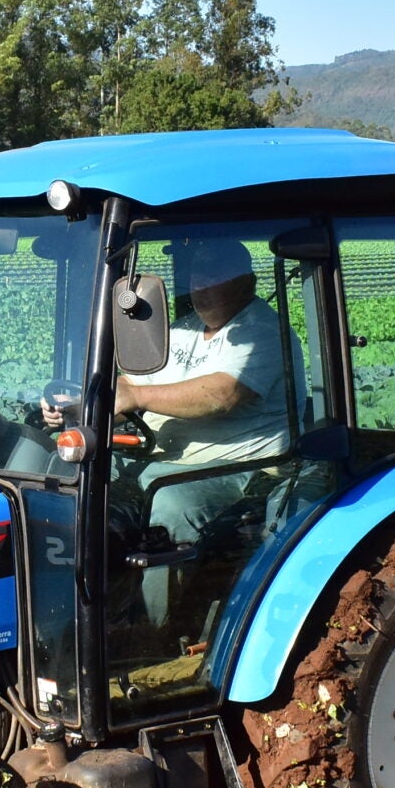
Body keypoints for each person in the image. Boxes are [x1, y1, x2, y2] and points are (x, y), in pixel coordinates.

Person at [103, 235, 292, 626]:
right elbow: (135, 388)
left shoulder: (261, 331)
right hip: (162, 458)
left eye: (216, 277)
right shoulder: (185, 329)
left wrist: (136, 395)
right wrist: (87, 409)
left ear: (247, 283)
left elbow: (224, 393)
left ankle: (153, 632)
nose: (201, 287)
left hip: (239, 468)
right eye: (197, 276)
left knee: (170, 502)